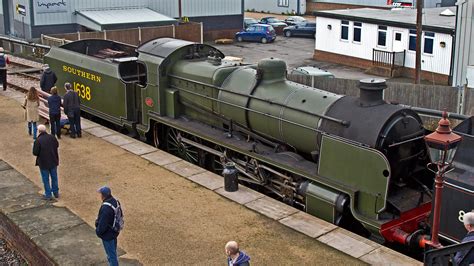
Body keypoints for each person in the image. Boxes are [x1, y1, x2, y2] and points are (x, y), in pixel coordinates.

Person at [32, 124, 59, 200]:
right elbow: (57, 145)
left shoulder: (38, 140)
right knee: (54, 177)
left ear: (39, 131)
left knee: (45, 179)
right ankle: (56, 192)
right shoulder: (52, 137)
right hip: (53, 160)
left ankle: (48, 194)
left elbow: (35, 153)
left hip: (43, 162)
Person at [96, 186, 121, 266]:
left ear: (103, 195)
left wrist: (98, 231)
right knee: (113, 252)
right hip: (114, 231)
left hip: (108, 235)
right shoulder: (115, 201)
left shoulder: (105, 208)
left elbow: (102, 226)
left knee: (111, 256)